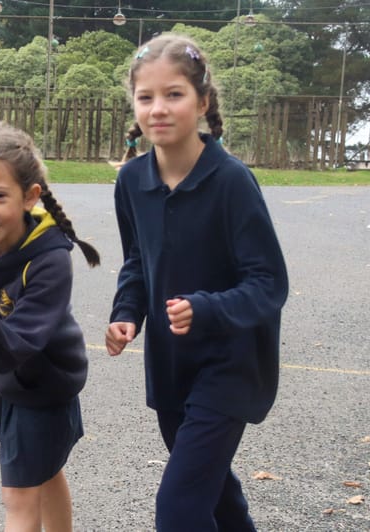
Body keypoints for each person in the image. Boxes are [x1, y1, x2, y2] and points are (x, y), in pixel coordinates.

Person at [105, 33, 289, 531]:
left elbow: (269, 282)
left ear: (203, 102)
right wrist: (126, 314)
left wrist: (205, 308)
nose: (158, 108)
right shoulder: (131, 182)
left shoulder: (230, 180)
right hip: (171, 367)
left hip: (231, 365)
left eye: (174, 94)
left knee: (180, 507)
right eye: (146, 97)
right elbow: (138, 262)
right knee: (215, 495)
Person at [0, 122, 100, 532]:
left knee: (19, 494)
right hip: (3, 377)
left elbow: (15, 348)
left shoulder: (48, 256)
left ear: (30, 197)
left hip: (44, 383)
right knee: (43, 474)